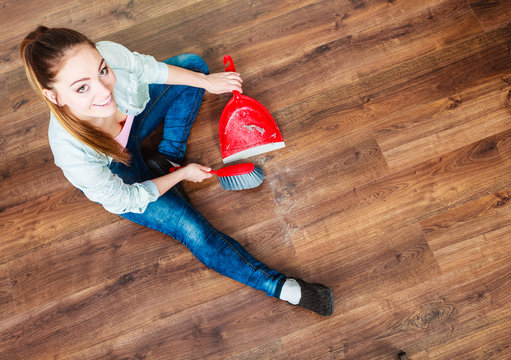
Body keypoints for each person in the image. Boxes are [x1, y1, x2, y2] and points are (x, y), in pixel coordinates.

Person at [20, 26, 334, 316]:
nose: (104, 91)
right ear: (54, 96)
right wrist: (182, 176)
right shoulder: (72, 153)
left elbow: (146, 68)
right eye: (81, 88)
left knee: (193, 66)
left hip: (136, 125)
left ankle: (167, 156)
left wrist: (208, 82)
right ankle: (279, 286)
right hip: (121, 172)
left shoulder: (110, 55)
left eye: (103, 71)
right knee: (192, 229)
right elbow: (126, 199)